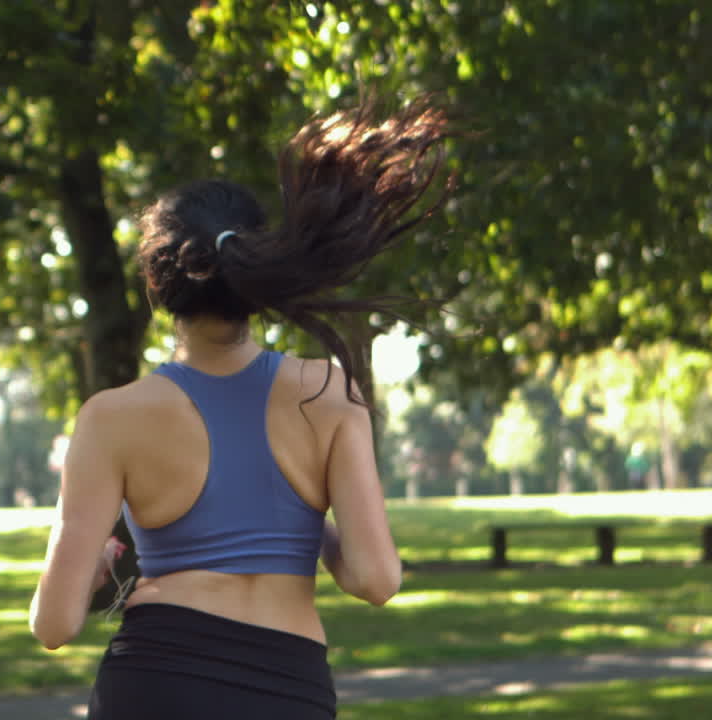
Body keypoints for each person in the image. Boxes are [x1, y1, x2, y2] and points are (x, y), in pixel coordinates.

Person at [29, 98, 451, 719]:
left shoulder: (111, 417)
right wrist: (307, 528)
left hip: (153, 684)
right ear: (257, 269)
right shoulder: (329, 393)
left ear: (157, 284)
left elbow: (54, 624)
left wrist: (89, 564)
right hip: (288, 690)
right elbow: (376, 580)